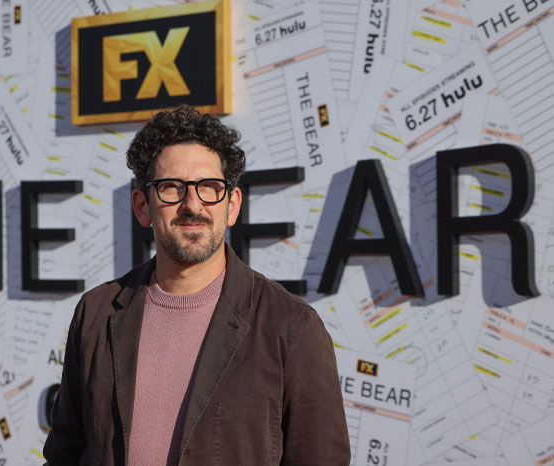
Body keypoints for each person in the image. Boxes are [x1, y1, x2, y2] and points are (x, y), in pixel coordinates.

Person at [43, 105, 350, 465]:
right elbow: (63, 456)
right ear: (143, 206)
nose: (192, 205)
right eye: (172, 188)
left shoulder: (291, 328)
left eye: (209, 188)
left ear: (232, 205)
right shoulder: (96, 315)